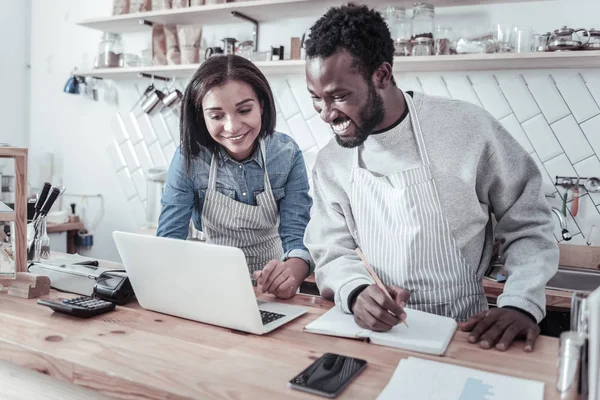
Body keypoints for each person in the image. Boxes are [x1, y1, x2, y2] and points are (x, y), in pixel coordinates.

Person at [303, 5, 558, 352]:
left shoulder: (467, 129)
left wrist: (520, 302)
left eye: (339, 96)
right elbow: (330, 249)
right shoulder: (332, 162)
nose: (326, 114)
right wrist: (357, 291)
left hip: (467, 335)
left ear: (381, 75)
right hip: (380, 337)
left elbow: (529, 223)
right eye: (316, 99)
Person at [157, 55, 313, 299]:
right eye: (217, 116)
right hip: (211, 287)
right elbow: (169, 240)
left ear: (261, 105)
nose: (232, 127)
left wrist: (290, 275)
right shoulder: (190, 157)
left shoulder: (286, 154)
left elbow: (297, 238)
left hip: (273, 291)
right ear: (202, 116)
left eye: (244, 110)